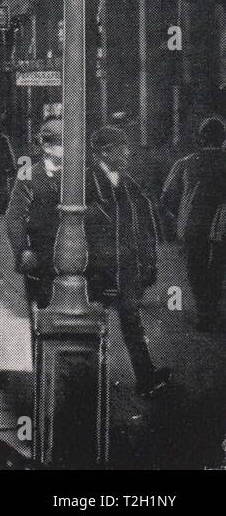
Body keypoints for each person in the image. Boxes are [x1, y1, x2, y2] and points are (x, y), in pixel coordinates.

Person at [86, 126, 170, 397]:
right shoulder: (87, 183)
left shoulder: (128, 183)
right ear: (105, 152)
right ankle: (88, 383)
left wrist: (149, 263)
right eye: (121, 148)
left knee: (131, 321)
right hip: (98, 269)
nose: (127, 152)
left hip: (127, 268)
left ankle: (145, 376)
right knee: (94, 323)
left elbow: (145, 226)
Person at [160, 117, 226, 331]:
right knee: (217, 267)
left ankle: (204, 311)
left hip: (192, 225)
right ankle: (211, 308)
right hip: (222, 225)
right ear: (223, 137)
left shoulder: (186, 163)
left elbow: (167, 197)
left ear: (201, 137)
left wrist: (181, 214)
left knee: (196, 268)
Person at [7, 118, 63, 311]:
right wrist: (23, 250)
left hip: (77, 254)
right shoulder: (28, 175)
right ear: (47, 147)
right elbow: (15, 217)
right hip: (41, 254)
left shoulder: (81, 174)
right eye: (62, 144)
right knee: (42, 314)